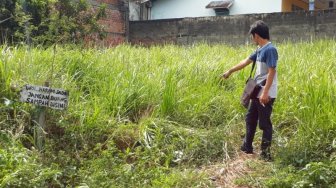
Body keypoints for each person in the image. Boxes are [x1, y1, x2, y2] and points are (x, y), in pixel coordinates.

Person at [222, 20, 278, 161]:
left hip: (265, 93)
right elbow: (245, 62)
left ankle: (265, 155)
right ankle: (247, 147)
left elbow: (272, 72)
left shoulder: (270, 50)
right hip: (256, 91)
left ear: (256, 35)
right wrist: (230, 71)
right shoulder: (260, 50)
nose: (252, 39)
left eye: (252, 36)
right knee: (250, 118)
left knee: (264, 124)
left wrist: (265, 92)